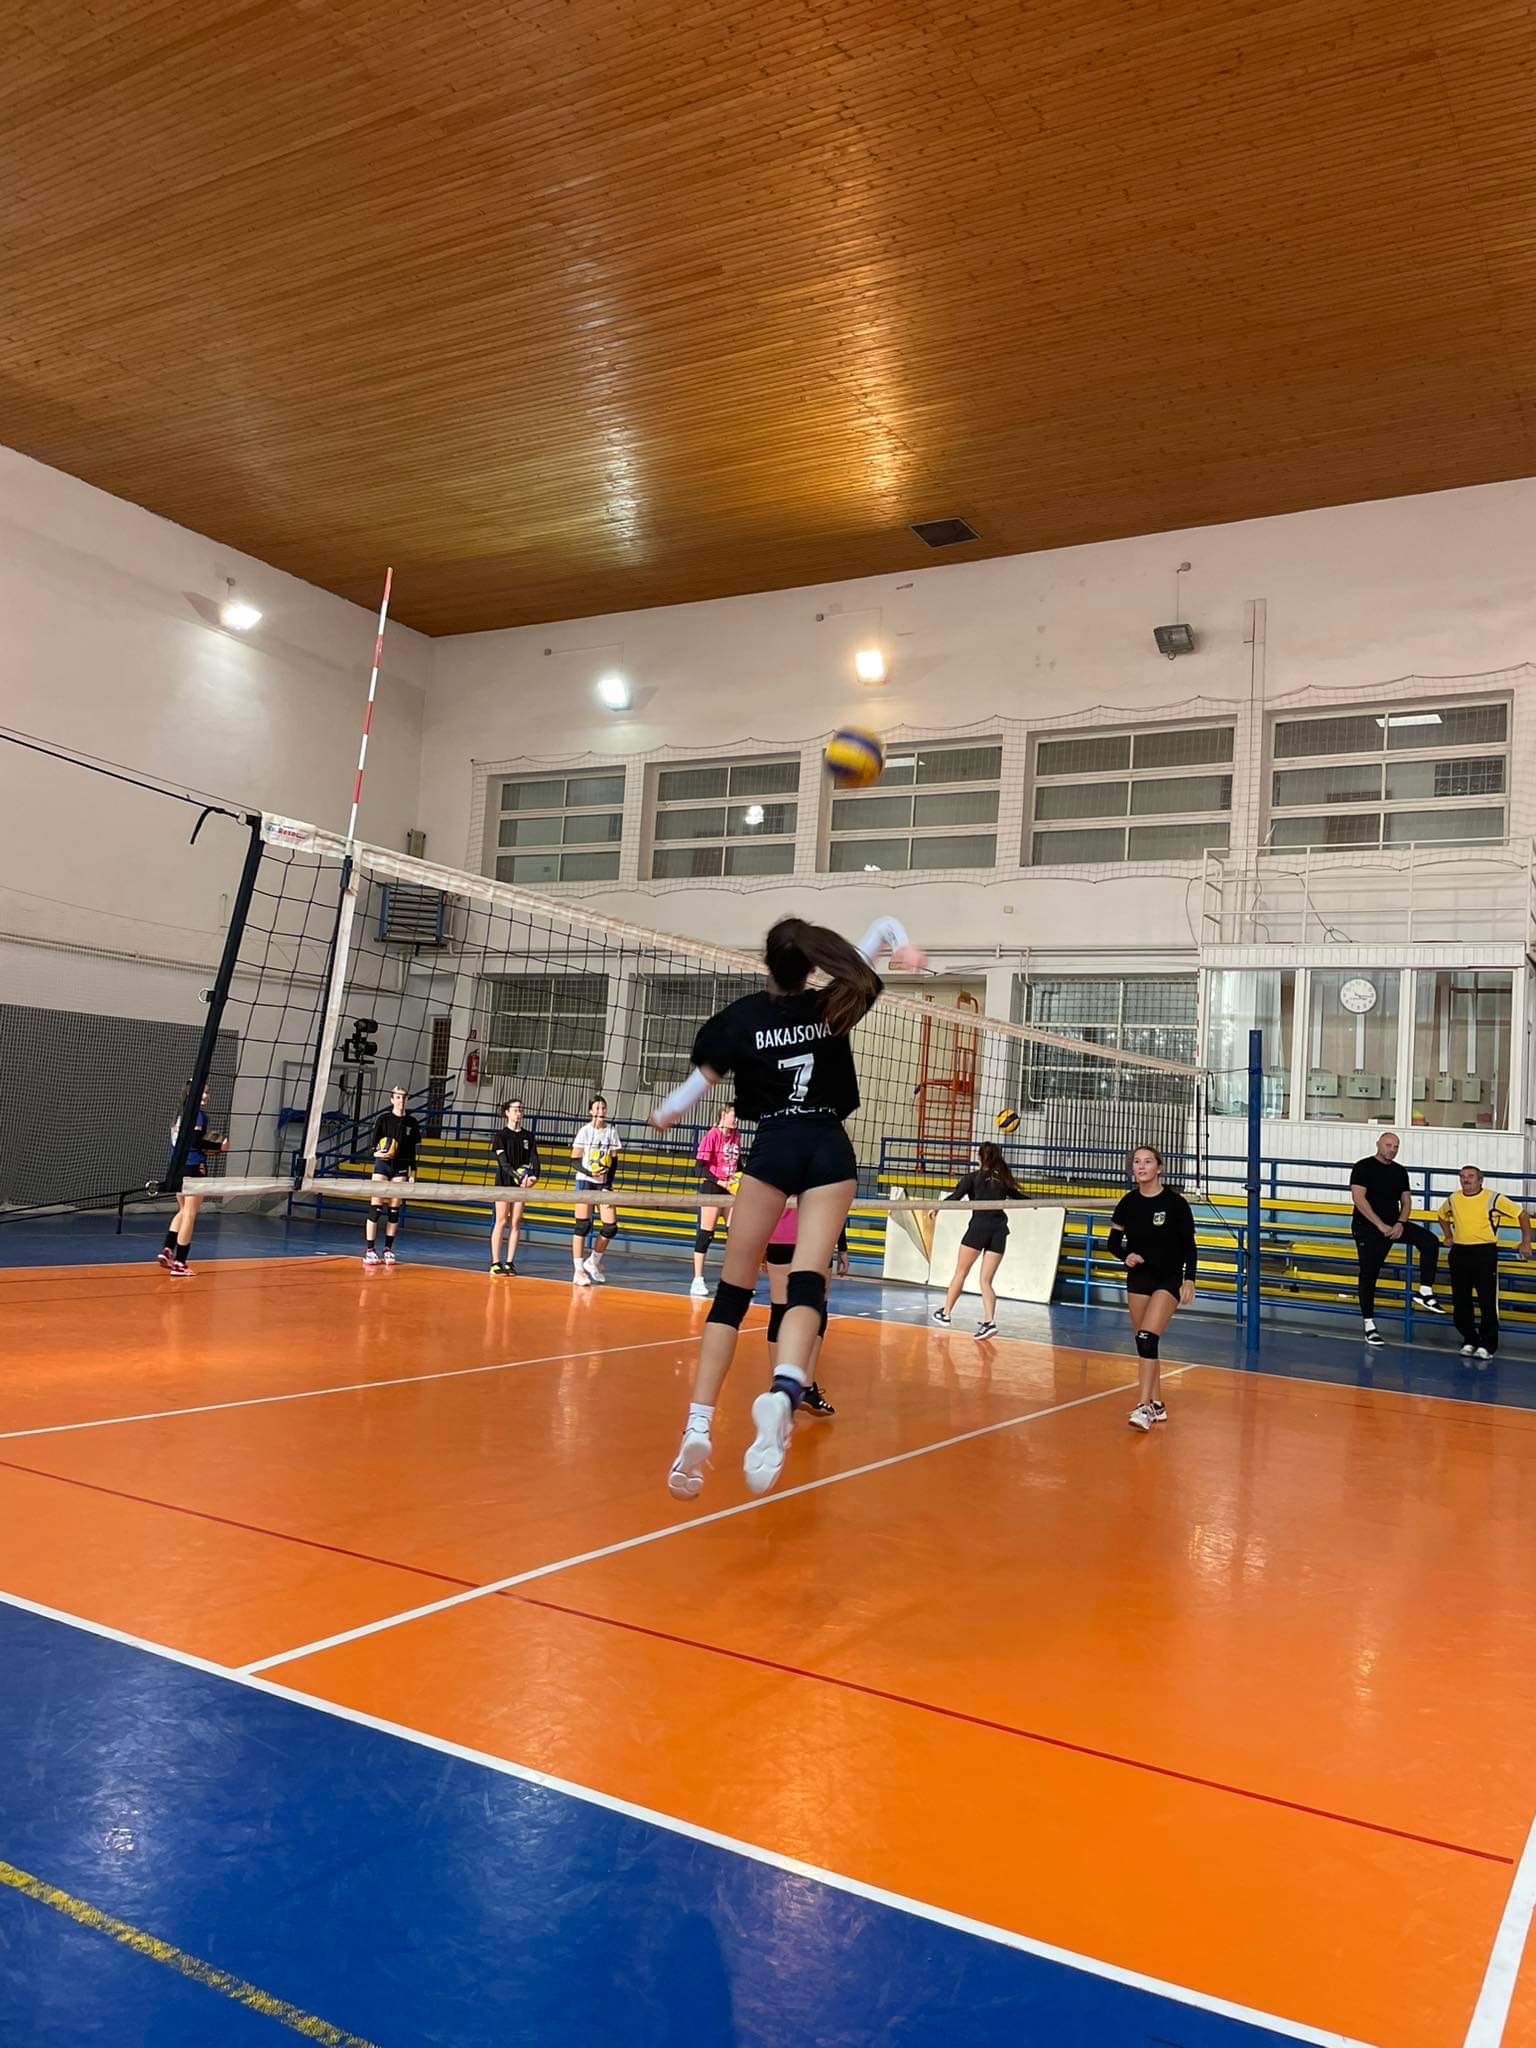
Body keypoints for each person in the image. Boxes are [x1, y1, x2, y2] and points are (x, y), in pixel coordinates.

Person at [651, 913, 924, 1500]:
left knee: (731, 1293)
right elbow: (879, 931)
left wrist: (667, 1112)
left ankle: (698, 1425)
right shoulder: (832, 1005)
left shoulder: (741, 1019)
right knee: (806, 1282)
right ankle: (785, 1391)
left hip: (773, 1144)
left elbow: (691, 1091)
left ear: (767, 962)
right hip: (829, 1146)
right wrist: (901, 945)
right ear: (809, 964)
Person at [1106, 1145, 1198, 1432]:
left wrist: (1189, 1279)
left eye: (1147, 1162)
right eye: (1137, 1162)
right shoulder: (1128, 1202)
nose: (1141, 1166)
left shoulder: (1176, 1203)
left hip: (1168, 1279)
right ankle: (1157, 1404)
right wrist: (1126, 1256)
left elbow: (1190, 1246)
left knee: (1147, 1338)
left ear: (1159, 1168)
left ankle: (1143, 1406)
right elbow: (1112, 1243)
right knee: (1145, 1344)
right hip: (1139, 1278)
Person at [1349, 1132, 1444, 1346]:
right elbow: (1359, 1199)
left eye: (1396, 1147)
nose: (1392, 1150)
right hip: (1368, 1227)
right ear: (1378, 1144)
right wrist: (1379, 1225)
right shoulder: (1363, 1167)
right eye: (1388, 1145)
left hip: (1394, 1224)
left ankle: (1425, 1290)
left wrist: (1400, 1223)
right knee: (1369, 1274)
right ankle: (1369, 1324)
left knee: (1429, 1241)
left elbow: (1406, 1201)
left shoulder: (1400, 1171)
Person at [1436, 1165, 1531, 1367]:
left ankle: (1487, 1345)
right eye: (1462, 1176)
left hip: (1484, 1253)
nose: (1466, 1180)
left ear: (1480, 1180)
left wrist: (1526, 1241)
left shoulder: (1493, 1198)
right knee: (1461, 1300)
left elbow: (1522, 1214)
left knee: (1487, 1300)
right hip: (1459, 1252)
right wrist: (1449, 1235)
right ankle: (1469, 1339)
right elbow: (1441, 1216)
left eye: (1470, 1176)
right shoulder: (1453, 1198)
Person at [761, 1202, 847, 1416]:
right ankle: (806, 1386)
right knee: (817, 1308)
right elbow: (836, 1203)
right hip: (816, 1236)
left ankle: (779, 1389)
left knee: (779, 1311)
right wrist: (842, 1247)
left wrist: (760, 1244)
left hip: (779, 1237)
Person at [930, 1141, 1020, 1339]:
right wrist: (1040, 1204)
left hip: (979, 1228)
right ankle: (989, 1322)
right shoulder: (1003, 1179)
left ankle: (946, 1313)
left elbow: (956, 1197)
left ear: (979, 1157)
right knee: (986, 1281)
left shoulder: (971, 1178)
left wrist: (937, 1207)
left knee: (961, 1272)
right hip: (999, 1231)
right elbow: (1020, 1197)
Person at [158, 1082, 225, 1277]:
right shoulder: (198, 1115)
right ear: (193, 1093)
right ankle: (180, 1263)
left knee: (182, 1210)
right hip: (194, 1167)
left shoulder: (180, 1115)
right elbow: (195, 1141)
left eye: (207, 1092)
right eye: (203, 1091)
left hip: (177, 1167)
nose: (207, 1095)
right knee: (190, 1214)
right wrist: (220, 1146)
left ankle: (168, 1249)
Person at [364, 1084, 421, 1267]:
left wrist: (413, 1173)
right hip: (383, 1165)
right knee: (376, 1208)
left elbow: (413, 1150)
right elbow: (373, 1146)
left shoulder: (412, 1122)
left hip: (401, 1167)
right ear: (392, 1099)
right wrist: (379, 1153)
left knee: (394, 1211)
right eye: (397, 1097)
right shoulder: (383, 1119)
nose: (401, 1100)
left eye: (403, 1097)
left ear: (407, 1099)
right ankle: (370, 1250)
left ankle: (388, 1249)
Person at [690, 1106, 742, 1297]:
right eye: (734, 1116)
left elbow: (738, 1164)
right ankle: (697, 1279)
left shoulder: (737, 1136)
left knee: (735, 1236)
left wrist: (740, 1179)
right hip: (713, 1187)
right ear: (723, 1116)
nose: (736, 1120)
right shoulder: (712, 1135)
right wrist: (721, 1181)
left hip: (730, 1189)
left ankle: (733, 1280)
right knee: (706, 1234)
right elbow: (698, 1168)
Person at [570, 1095, 622, 1285]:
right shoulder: (584, 1131)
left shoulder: (611, 1132)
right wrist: (589, 1172)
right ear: (591, 1111)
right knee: (582, 1226)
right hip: (585, 1181)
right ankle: (578, 1271)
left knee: (610, 1227)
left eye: (603, 1108)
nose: (601, 1111)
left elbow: (614, 1161)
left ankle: (593, 1261)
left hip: (602, 1183)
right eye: (597, 1108)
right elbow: (574, 1160)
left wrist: (608, 1184)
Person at [489, 1098, 540, 1275]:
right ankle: (495, 1262)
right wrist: (519, 1176)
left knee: (516, 1222)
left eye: (521, 1109)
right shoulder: (500, 1136)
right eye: (516, 1109)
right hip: (504, 1182)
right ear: (507, 1112)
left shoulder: (528, 1136)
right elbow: (503, 1163)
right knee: (501, 1220)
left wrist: (534, 1177)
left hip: (521, 1184)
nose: (519, 1113)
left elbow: (534, 1158)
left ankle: (510, 1262)